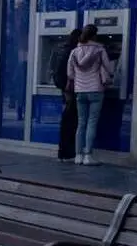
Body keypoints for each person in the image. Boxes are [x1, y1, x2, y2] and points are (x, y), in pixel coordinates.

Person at [67, 24, 114, 166]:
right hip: (95, 90)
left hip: (80, 91)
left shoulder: (74, 52)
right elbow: (109, 68)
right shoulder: (99, 49)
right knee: (91, 123)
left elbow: (70, 74)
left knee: (81, 123)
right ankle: (88, 156)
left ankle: (78, 156)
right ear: (94, 35)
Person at [51, 28, 80, 163]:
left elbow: (52, 68)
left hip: (64, 87)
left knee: (67, 119)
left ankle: (63, 152)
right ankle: (67, 152)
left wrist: (62, 86)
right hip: (71, 88)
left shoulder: (59, 48)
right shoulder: (73, 51)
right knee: (70, 120)